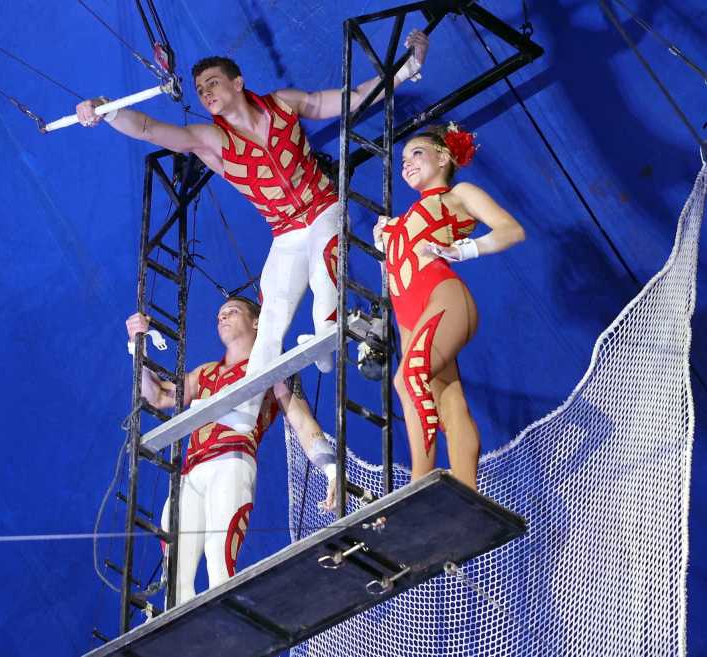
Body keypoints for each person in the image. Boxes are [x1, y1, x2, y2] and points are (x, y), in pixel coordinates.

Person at [82, 30, 430, 433]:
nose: (205, 92)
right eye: (199, 89)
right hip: (285, 231)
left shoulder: (285, 103)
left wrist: (408, 68)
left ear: (238, 82)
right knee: (271, 318)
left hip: (323, 209)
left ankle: (327, 334)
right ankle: (245, 408)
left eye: (213, 82)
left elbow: (353, 98)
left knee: (323, 275)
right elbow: (147, 128)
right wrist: (106, 110)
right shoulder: (211, 139)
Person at [126, 296, 336, 603]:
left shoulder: (274, 366)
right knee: (175, 575)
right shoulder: (206, 373)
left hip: (232, 461)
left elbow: (302, 421)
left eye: (232, 312)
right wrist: (137, 347)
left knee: (218, 559)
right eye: (219, 314)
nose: (222, 318)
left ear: (256, 321)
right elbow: (157, 396)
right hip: (190, 473)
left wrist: (330, 469)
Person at [372, 123, 525, 489]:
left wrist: (461, 250)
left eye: (417, 154)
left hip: (444, 298)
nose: (406, 163)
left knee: (408, 380)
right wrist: (384, 245)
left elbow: (511, 230)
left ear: (443, 157)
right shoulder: (400, 221)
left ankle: (416, 487)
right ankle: (467, 490)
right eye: (403, 159)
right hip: (410, 315)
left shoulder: (459, 194)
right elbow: (395, 278)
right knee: (449, 402)